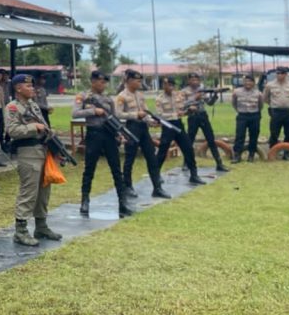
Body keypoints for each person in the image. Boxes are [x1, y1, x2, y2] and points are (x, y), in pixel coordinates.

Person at [5, 74, 62, 246]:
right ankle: (20, 231)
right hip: (27, 152)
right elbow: (11, 130)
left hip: (43, 150)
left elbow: (45, 127)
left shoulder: (34, 106)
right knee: (29, 191)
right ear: (18, 88)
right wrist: (32, 127)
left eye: (32, 86)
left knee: (44, 191)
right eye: (28, 86)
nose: (32, 89)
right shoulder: (12, 108)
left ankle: (41, 226)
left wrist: (55, 147)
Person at [72, 70, 134, 218]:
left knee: (116, 169)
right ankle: (85, 201)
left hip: (109, 135)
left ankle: (122, 202)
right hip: (94, 134)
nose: (103, 84)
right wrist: (94, 111)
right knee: (89, 169)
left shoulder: (108, 99)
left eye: (105, 82)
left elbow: (114, 118)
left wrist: (119, 134)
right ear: (93, 82)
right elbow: (75, 113)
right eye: (101, 82)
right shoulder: (84, 97)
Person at [115, 70, 170, 200]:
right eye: (137, 81)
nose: (140, 83)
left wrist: (151, 122)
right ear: (129, 81)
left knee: (151, 157)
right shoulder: (121, 96)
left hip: (143, 129)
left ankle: (157, 187)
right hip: (131, 128)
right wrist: (135, 115)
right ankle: (128, 186)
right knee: (130, 159)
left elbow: (145, 112)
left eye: (141, 80)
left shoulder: (140, 95)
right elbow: (118, 114)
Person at [153, 77, 205, 184]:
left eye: (172, 85)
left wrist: (189, 110)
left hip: (178, 124)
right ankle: (156, 174)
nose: (170, 87)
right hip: (168, 126)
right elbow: (159, 115)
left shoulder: (179, 96)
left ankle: (194, 174)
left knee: (188, 148)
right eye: (167, 85)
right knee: (163, 150)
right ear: (163, 85)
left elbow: (183, 110)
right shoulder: (159, 98)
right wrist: (175, 114)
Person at [181, 73, 229, 172]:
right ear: (188, 81)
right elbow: (181, 105)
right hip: (192, 116)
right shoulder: (184, 91)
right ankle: (186, 163)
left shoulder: (203, 89)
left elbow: (209, 103)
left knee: (211, 139)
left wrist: (215, 95)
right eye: (192, 79)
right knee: (189, 141)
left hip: (203, 115)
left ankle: (219, 164)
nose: (195, 82)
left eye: (196, 79)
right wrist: (194, 98)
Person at [263, 67, 289, 157]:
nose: (279, 75)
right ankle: (273, 152)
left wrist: (288, 104)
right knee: (274, 133)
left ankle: (287, 153)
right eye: (278, 73)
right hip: (276, 111)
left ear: (286, 74)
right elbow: (265, 98)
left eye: (282, 73)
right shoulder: (270, 85)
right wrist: (274, 104)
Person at [231, 75, 264, 163]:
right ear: (243, 82)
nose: (248, 83)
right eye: (246, 81)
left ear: (253, 83)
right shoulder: (237, 92)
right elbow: (234, 103)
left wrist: (256, 112)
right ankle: (237, 155)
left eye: (250, 81)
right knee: (240, 135)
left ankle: (251, 155)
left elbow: (261, 105)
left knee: (254, 135)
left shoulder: (258, 93)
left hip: (254, 116)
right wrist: (239, 111)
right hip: (242, 116)